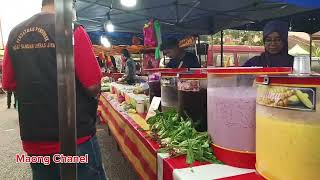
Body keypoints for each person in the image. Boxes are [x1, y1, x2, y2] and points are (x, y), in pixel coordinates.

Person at [1, 0, 107, 179]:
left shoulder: (14, 33)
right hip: (74, 137)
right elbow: (92, 84)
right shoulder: (72, 30)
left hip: (35, 137)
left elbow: (8, 84)